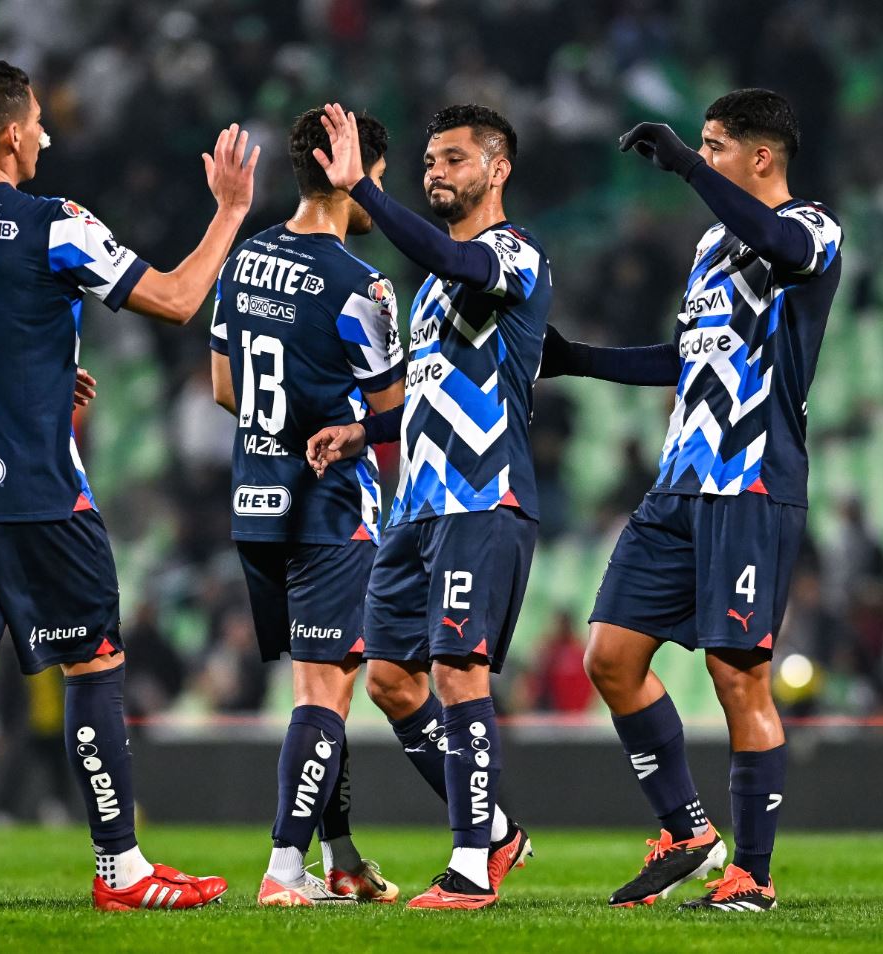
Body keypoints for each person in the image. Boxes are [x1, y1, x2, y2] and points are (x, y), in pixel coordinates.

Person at [0, 60, 258, 912]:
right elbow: (177, 300)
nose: (47, 137)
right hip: (36, 493)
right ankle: (120, 870)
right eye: (37, 125)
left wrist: (30, 374)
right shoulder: (54, 224)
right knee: (94, 663)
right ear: (9, 135)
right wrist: (231, 212)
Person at [540, 88, 843, 912]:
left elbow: (775, 238)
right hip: (679, 483)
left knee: (737, 674)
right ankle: (686, 831)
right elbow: (688, 357)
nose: (701, 160)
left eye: (715, 147)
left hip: (750, 483)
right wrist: (577, 358)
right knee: (610, 656)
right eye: (699, 147)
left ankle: (755, 874)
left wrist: (680, 165)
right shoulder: (712, 244)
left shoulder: (812, 230)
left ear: (761, 157)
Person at [307, 102, 549, 909]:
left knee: (456, 668)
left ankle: (472, 865)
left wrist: (365, 194)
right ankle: (499, 831)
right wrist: (360, 429)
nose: (436, 172)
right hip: (415, 508)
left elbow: (457, 260)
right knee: (391, 682)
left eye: (452, 159)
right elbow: (427, 397)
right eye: (429, 162)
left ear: (496, 168)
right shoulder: (434, 292)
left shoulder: (511, 255)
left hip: (484, 499)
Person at [210, 107, 405, 906]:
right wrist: (344, 429)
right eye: (377, 179)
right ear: (353, 173)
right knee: (325, 694)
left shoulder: (245, 257)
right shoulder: (360, 283)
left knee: (321, 691)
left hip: (254, 501)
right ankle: (285, 872)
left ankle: (344, 859)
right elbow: (393, 413)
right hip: (329, 509)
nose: (378, 196)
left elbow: (224, 388)